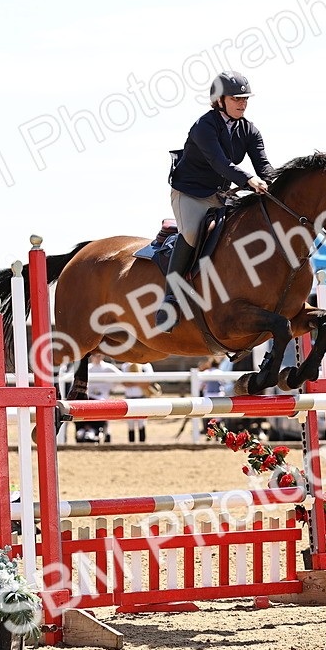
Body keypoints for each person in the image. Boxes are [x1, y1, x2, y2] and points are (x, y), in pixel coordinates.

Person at [156, 71, 278, 332]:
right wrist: (248, 180)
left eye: (245, 99)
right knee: (191, 232)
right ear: (219, 100)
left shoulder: (249, 130)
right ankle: (170, 299)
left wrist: (280, 183)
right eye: (236, 99)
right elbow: (219, 163)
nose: (242, 104)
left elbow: (264, 166)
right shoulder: (204, 126)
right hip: (189, 193)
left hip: (221, 196)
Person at [76, 354, 122, 443]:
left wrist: (111, 388)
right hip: (88, 398)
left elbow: (122, 378)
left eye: (99, 355)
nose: (97, 357)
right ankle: (83, 429)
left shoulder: (108, 367)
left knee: (99, 409)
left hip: (102, 397)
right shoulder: (87, 368)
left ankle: (94, 430)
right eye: (95, 355)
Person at [121, 361, 157, 443]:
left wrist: (133, 381)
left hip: (142, 398)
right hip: (129, 398)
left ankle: (142, 443)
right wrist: (140, 382)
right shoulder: (125, 365)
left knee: (142, 422)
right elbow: (125, 383)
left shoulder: (146, 365)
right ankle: (131, 444)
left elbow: (148, 383)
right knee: (130, 423)